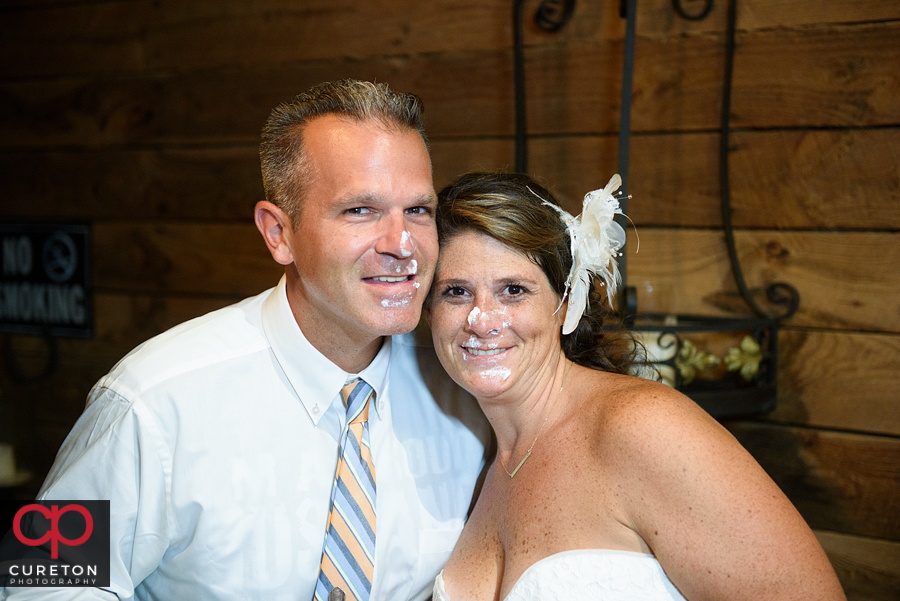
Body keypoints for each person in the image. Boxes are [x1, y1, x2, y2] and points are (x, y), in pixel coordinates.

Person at [3, 80, 488, 601]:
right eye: (360, 211)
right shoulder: (151, 401)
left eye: (418, 210)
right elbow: (37, 583)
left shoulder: (466, 386)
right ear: (278, 233)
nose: (402, 244)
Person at [425, 172, 846, 601]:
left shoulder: (642, 427)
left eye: (514, 290)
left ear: (567, 302)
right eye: (455, 292)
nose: (482, 320)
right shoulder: (481, 471)